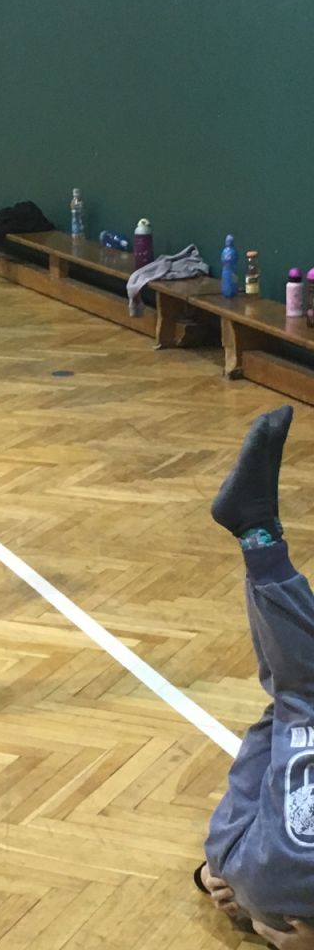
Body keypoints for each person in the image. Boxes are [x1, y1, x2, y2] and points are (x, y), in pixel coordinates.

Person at [194, 405, 314, 950]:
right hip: (255, 865)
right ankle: (257, 532)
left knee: (304, 693)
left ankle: (259, 533)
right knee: (290, 702)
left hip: (288, 877)